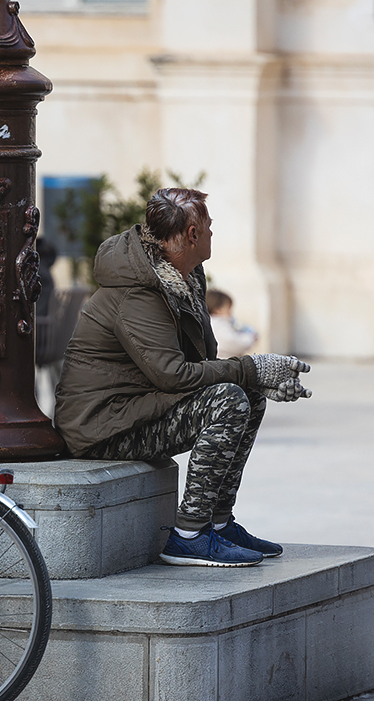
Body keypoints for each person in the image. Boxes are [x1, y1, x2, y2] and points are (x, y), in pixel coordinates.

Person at [53, 188, 311, 567]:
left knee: (249, 396)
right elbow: (173, 375)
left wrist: (257, 379)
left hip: (139, 408)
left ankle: (219, 524)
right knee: (229, 400)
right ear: (192, 234)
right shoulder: (138, 292)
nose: (212, 232)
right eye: (209, 226)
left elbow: (202, 360)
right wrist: (251, 368)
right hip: (104, 427)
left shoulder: (182, 280)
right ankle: (189, 535)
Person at [206, 288, 258, 357]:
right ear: (218, 309)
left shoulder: (210, 322)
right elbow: (234, 344)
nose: (230, 312)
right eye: (228, 309)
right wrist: (251, 337)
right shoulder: (218, 324)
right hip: (222, 361)